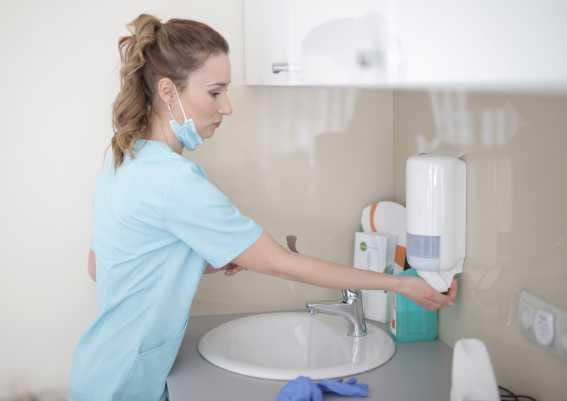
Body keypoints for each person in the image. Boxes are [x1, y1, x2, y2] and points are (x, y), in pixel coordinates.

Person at [69, 13, 457, 401]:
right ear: (169, 91)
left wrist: (203, 260)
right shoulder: (175, 180)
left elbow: (101, 266)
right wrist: (400, 285)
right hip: (125, 385)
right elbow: (283, 264)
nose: (227, 107)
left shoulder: (125, 155)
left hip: (100, 369)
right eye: (215, 92)